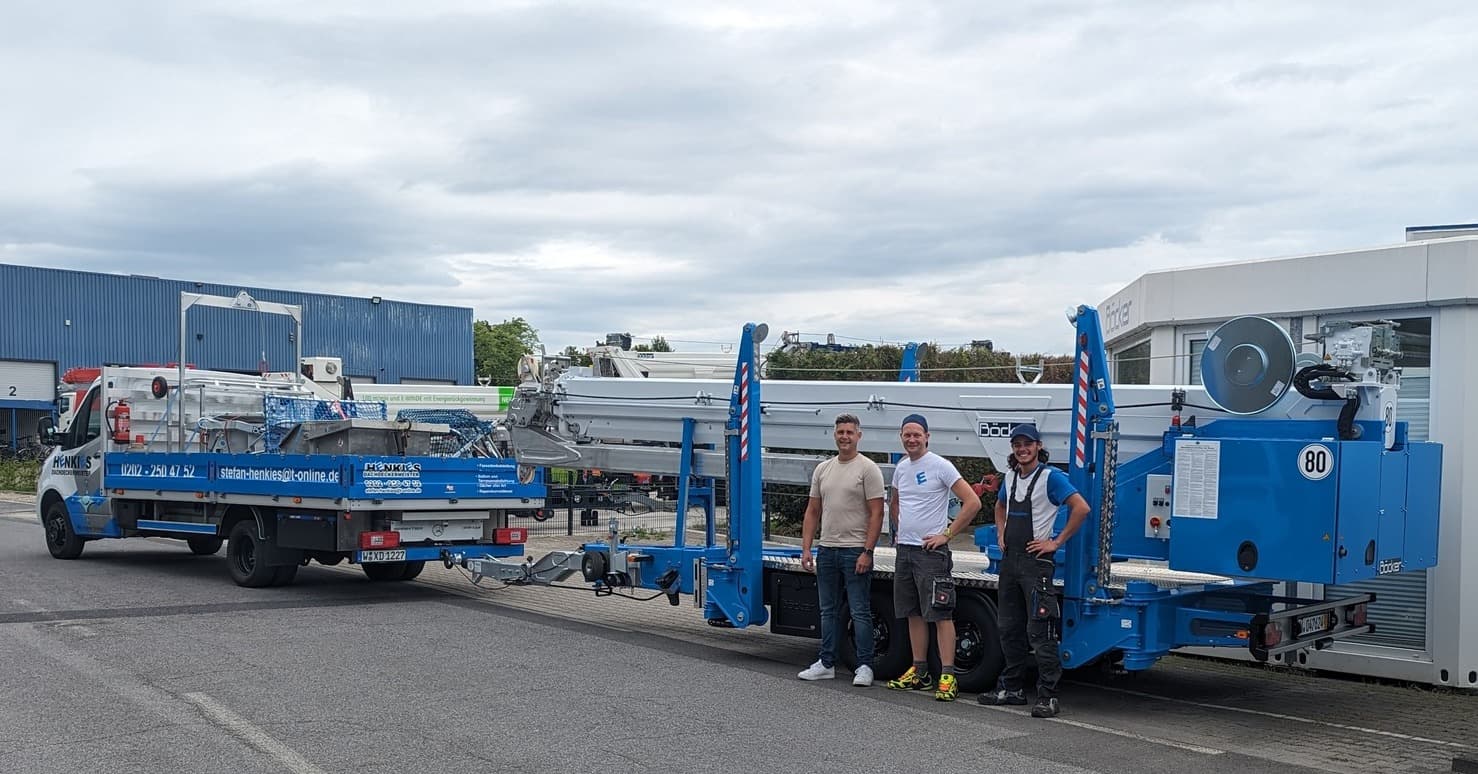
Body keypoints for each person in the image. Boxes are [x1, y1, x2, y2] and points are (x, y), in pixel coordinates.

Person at [978, 423, 1090, 718]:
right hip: (1010, 563)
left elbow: (1081, 508)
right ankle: (1012, 689)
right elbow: (999, 506)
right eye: (1017, 444)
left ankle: (1048, 696)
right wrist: (1000, 532)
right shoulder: (1010, 476)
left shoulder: (1051, 477)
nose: (1022, 449)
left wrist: (1056, 542)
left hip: (1036, 564)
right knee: (1009, 628)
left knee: (1040, 631)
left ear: (1038, 446)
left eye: (1028, 444)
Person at [884, 413, 981, 701]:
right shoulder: (902, 468)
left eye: (917, 434)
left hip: (931, 553)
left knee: (940, 613)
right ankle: (920, 671)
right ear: (901, 437)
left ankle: (948, 675)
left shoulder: (941, 465)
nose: (912, 439)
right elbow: (895, 502)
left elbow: (972, 502)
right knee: (912, 612)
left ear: (927, 437)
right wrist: (901, 531)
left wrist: (946, 535)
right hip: (905, 551)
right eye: (907, 434)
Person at [797, 413, 886, 687]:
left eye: (849, 432)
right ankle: (826, 663)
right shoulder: (823, 469)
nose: (844, 436)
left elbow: (877, 513)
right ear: (834, 435)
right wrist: (806, 548)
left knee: (859, 611)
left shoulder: (868, 469)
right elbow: (813, 511)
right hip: (827, 550)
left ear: (859, 435)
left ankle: (865, 666)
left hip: (855, 551)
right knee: (828, 611)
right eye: (840, 432)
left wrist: (867, 551)